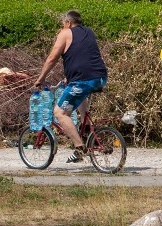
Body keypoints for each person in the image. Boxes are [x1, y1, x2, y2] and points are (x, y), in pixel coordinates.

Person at [33, 10, 107, 162]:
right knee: (80, 97)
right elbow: (84, 55)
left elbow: (52, 58)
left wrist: (41, 79)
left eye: (63, 24)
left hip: (83, 80)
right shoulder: (89, 32)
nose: (62, 27)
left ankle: (79, 148)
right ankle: (85, 130)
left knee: (60, 113)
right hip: (100, 77)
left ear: (68, 23)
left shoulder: (66, 33)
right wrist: (70, 76)